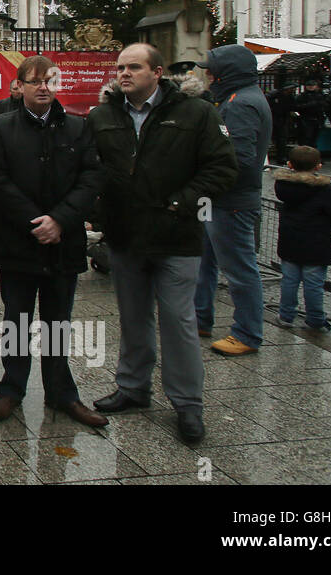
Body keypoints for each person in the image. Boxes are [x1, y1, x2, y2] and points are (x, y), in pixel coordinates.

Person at [87, 43, 237, 446]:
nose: (124, 73)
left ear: (157, 71)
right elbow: (91, 169)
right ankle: (133, 388)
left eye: (134, 67)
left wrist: (181, 202)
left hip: (176, 236)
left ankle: (188, 404)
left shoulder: (196, 112)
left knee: (179, 322)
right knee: (133, 318)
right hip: (125, 236)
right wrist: (98, 209)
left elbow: (223, 166)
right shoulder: (103, 115)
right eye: (120, 67)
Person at [0, 55, 107, 427]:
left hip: (63, 245)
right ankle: (11, 389)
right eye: (34, 81)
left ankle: (62, 393)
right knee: (16, 319)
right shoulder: (1, 128)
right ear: (19, 86)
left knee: (57, 321)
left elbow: (91, 178)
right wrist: (36, 220)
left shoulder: (79, 128)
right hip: (19, 243)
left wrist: (61, 220)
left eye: (49, 80)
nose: (43, 87)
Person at [194, 45, 272, 357]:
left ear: (228, 72)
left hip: (231, 201)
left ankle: (247, 333)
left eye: (212, 71)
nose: (208, 76)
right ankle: (200, 318)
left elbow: (239, 158)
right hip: (220, 200)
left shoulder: (241, 103)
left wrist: (203, 175)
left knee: (240, 270)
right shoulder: (236, 98)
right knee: (205, 262)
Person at [274, 146, 331, 333]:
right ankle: (315, 319)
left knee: (289, 280)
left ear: (290, 165)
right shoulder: (326, 189)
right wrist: (329, 226)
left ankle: (286, 316)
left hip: (289, 240)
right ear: (318, 166)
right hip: (316, 242)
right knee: (314, 284)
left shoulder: (283, 186)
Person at [267, 83, 299, 159]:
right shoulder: (275, 95)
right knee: (280, 138)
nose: (293, 90)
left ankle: (281, 156)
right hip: (275, 118)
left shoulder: (289, 97)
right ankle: (280, 156)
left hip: (282, 119)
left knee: (282, 138)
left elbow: (293, 107)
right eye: (292, 88)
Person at [294, 78, 326, 150]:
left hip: (316, 119)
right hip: (306, 119)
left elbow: (324, 107)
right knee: (306, 139)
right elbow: (296, 107)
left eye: (313, 85)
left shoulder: (320, 96)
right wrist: (309, 105)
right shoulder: (302, 96)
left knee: (314, 140)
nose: (311, 87)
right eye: (309, 85)